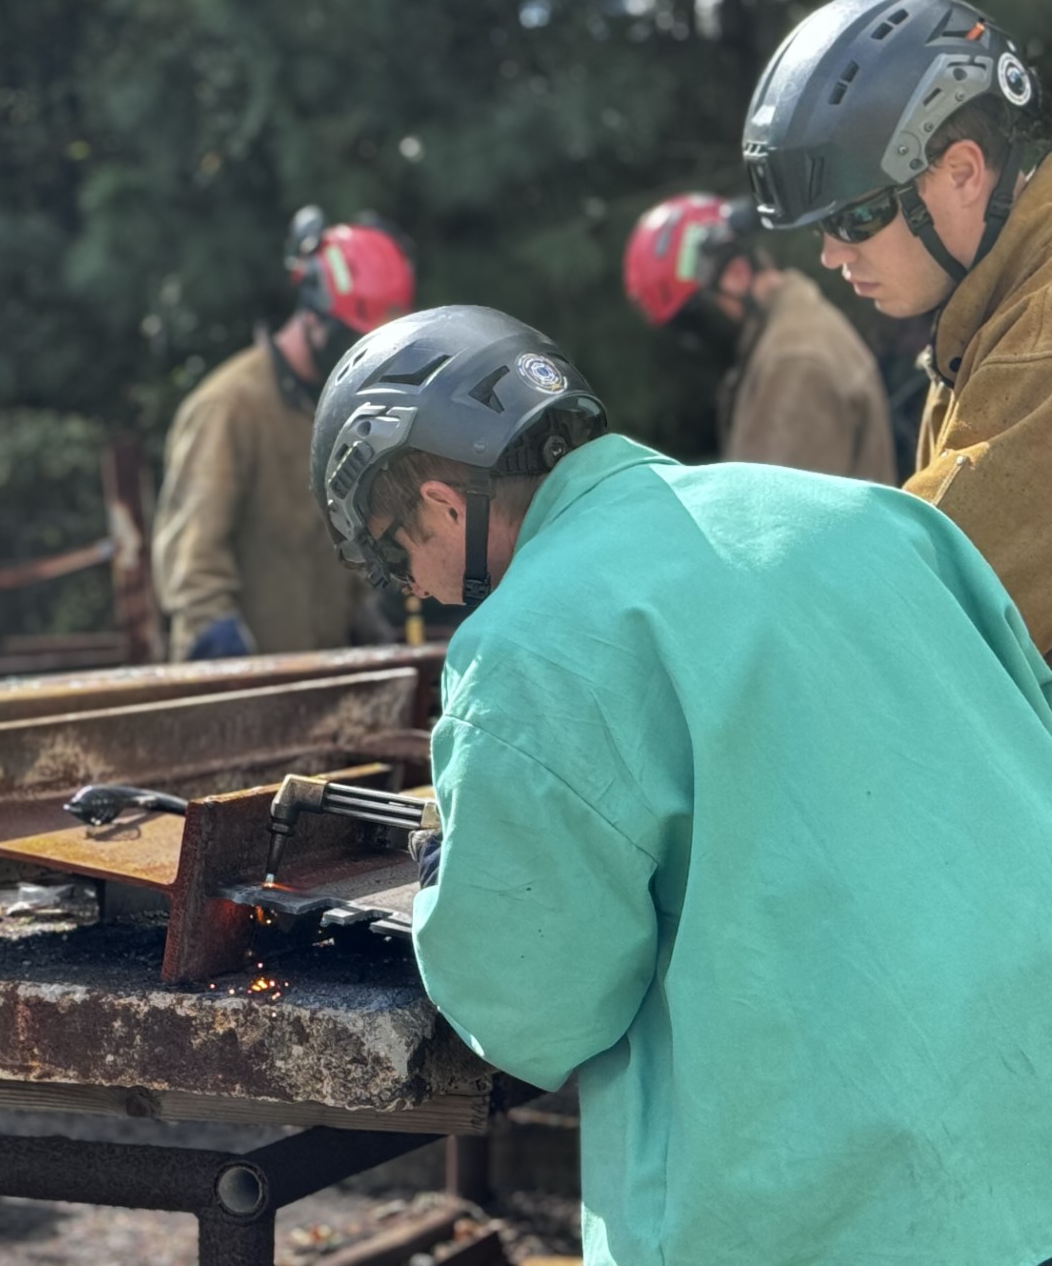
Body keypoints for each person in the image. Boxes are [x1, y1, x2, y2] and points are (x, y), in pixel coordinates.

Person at [310, 304, 1052, 1265]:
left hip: (822, 1212)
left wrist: (458, 882)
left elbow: (539, 1012)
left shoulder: (528, 642)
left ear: (447, 506)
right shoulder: (877, 518)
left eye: (402, 556)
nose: (425, 591)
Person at [743, 0, 1052, 650]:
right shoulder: (993, 313)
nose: (831, 254)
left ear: (965, 174)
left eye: (854, 216)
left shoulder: (1041, 337)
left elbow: (920, 614)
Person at [153, 206, 415, 659]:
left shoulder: (339, 415)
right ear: (313, 319)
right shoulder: (230, 407)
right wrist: (220, 646)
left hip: (323, 681)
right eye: (351, 343)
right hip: (241, 688)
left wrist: (364, 615)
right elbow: (191, 563)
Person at [622, 191, 895, 481]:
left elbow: (772, 519)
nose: (693, 342)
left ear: (736, 274)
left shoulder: (792, 365)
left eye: (693, 322)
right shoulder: (786, 336)